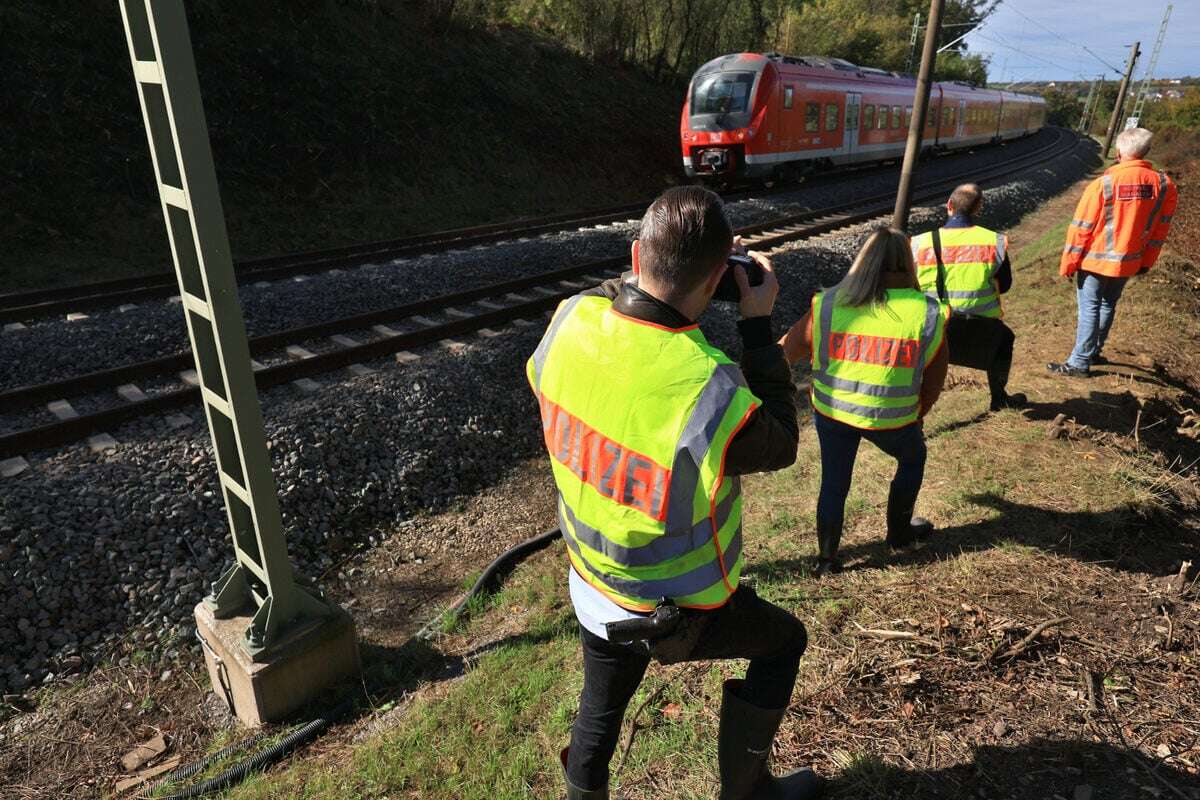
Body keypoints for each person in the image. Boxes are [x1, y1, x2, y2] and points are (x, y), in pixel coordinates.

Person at [527, 186, 822, 799]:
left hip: (594, 582)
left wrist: (684, 265)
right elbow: (784, 441)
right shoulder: (708, 389)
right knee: (784, 643)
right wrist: (757, 320)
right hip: (681, 610)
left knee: (597, 720)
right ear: (718, 280)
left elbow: (621, 297)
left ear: (636, 256)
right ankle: (750, 792)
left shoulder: (569, 321)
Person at [780, 228, 948, 576]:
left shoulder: (827, 304)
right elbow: (933, 383)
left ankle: (826, 559)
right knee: (913, 458)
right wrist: (916, 416)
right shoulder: (928, 314)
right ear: (908, 263)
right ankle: (899, 536)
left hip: (832, 412)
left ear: (862, 260)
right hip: (893, 419)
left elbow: (785, 352)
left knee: (834, 482)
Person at [1048, 127, 1177, 376]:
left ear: (1118, 152)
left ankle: (1079, 362)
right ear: (1146, 152)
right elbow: (1160, 229)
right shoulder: (1164, 185)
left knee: (1091, 307)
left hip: (1095, 261)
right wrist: (1147, 261)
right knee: (1108, 304)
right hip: (1130, 260)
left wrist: (1069, 262)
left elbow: (1081, 229)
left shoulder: (1103, 184)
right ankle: (1094, 351)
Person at [910, 184, 1026, 411]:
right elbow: (1005, 286)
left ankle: (914, 407)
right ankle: (999, 398)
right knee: (1005, 340)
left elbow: (910, 286)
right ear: (978, 208)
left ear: (949, 206)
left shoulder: (919, 243)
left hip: (934, 329)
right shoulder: (994, 242)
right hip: (980, 331)